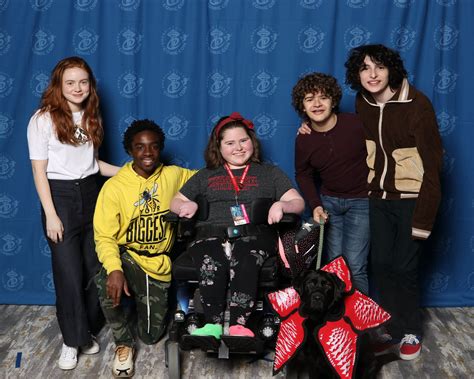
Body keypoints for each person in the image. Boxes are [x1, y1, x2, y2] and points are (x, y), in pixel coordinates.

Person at [344, 44, 443, 360]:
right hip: (378, 198)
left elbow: (433, 166)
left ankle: (411, 330)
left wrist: (424, 219)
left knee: (404, 267)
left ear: (392, 70)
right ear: (356, 75)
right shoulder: (363, 102)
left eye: (379, 67)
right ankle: (391, 328)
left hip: (413, 200)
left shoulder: (418, 105)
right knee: (382, 265)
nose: (372, 75)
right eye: (364, 68)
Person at [170, 112, 305, 339]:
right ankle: (212, 324)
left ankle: (238, 325)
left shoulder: (270, 173)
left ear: (252, 141)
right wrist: (186, 205)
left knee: (245, 256)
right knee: (210, 257)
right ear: (219, 147)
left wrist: (282, 204)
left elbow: (298, 203)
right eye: (230, 143)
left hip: (255, 235)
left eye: (243, 140)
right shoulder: (206, 175)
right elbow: (176, 201)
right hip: (210, 234)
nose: (239, 147)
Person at [26, 56, 119, 370]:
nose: (78, 88)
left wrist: (127, 172)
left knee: (97, 268)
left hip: (92, 193)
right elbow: (40, 172)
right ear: (59, 85)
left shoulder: (91, 116)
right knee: (68, 273)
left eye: (83, 82)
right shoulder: (43, 119)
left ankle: (85, 332)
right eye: (70, 82)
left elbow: (93, 165)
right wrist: (51, 215)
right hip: (60, 198)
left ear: (90, 85)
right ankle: (71, 341)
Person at [93, 119, 195, 377]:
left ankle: (144, 307)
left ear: (160, 148)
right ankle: (123, 344)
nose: (147, 153)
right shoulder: (114, 186)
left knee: (151, 337)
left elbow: (210, 177)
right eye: (140, 147)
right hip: (129, 258)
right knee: (104, 276)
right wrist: (115, 269)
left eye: (153, 147)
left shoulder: (174, 175)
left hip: (158, 263)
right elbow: (104, 236)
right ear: (130, 150)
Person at [291, 72, 370, 294]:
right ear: (302, 106)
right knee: (334, 265)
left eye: (323, 97)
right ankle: (337, 321)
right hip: (329, 204)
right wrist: (316, 204)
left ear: (333, 100)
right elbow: (303, 174)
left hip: (361, 202)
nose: (317, 104)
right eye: (309, 99)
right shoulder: (304, 139)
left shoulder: (356, 124)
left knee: (355, 265)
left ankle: (361, 324)